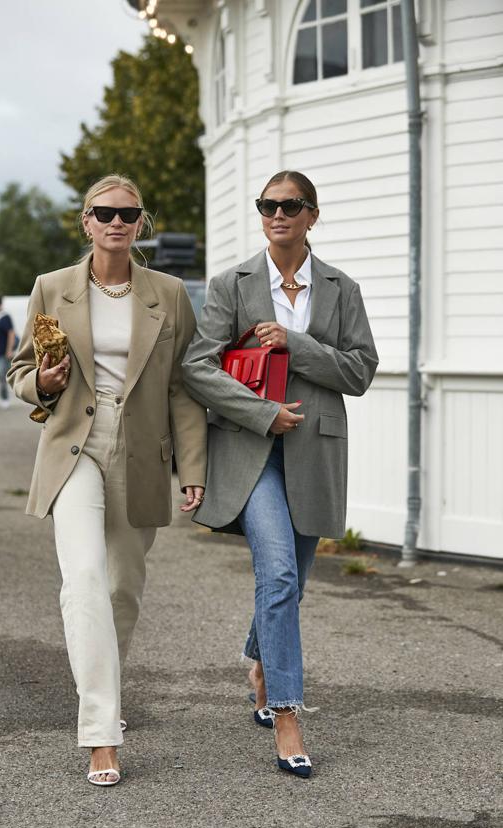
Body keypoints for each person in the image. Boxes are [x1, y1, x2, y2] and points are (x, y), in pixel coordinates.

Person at [8, 174, 207, 787]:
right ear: (86, 222)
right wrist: (41, 382)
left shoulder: (170, 294)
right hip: (74, 448)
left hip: (142, 451)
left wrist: (193, 466)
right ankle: (101, 732)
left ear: (140, 223)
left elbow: (183, 384)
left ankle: (103, 686)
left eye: (128, 214)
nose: (116, 223)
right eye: (104, 213)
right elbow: (21, 372)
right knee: (85, 579)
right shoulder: (54, 288)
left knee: (122, 589)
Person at [182, 170, 378, 779]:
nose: (277, 214)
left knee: (290, 583)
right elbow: (197, 366)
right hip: (250, 451)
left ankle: (261, 663)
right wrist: (264, 413)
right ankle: (288, 714)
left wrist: (296, 344)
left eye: (290, 205)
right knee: (279, 572)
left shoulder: (342, 289)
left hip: (315, 452)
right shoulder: (231, 283)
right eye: (267, 205)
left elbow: (361, 371)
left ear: (311, 215)